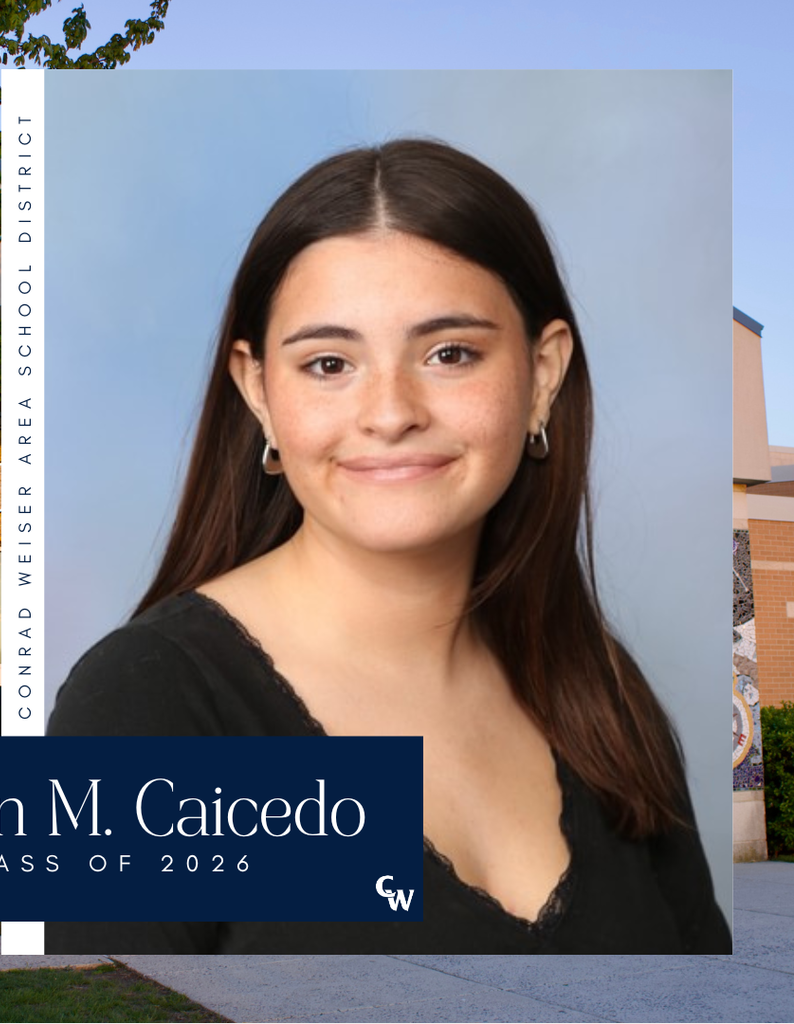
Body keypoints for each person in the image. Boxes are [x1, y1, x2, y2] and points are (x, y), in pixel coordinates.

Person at [47, 138, 730, 954]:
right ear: (258, 390)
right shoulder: (148, 708)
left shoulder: (607, 702)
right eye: (329, 363)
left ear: (543, 374)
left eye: (450, 354)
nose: (390, 412)